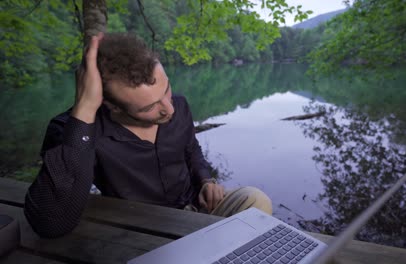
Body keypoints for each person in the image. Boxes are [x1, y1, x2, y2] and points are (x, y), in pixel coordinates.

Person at [24, 32, 272, 238]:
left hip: (196, 204)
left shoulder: (180, 106)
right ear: (112, 106)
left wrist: (205, 180)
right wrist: (85, 109)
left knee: (255, 200)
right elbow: (50, 224)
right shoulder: (72, 130)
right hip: (144, 227)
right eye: (149, 107)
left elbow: (190, 149)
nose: (169, 108)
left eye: (166, 90)